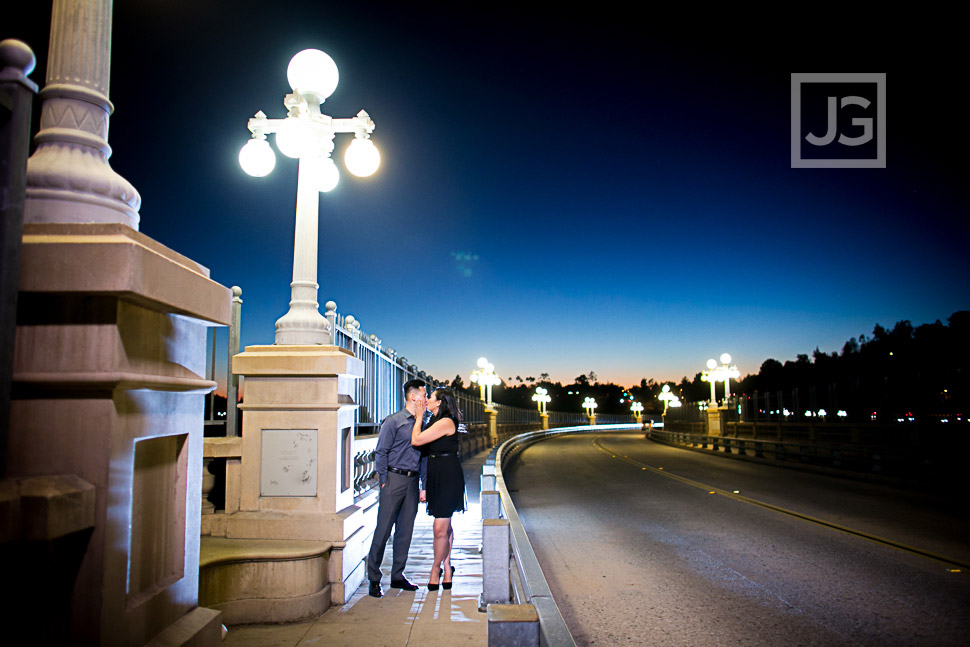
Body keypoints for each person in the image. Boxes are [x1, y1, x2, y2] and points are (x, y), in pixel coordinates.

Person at [366, 379, 428, 598]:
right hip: (393, 480)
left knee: (405, 532)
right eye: (424, 394)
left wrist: (423, 485)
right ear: (413, 397)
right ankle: (374, 579)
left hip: (412, 482)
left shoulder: (423, 423)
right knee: (383, 530)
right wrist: (383, 479)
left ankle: (397, 576)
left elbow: (424, 458)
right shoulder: (393, 421)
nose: (426, 399)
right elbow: (381, 451)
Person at [411, 387, 466, 591]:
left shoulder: (445, 422)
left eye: (430, 398)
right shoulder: (434, 421)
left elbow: (416, 440)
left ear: (439, 403)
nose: (427, 401)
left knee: (439, 528)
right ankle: (447, 566)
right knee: (445, 525)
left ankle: (435, 570)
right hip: (437, 475)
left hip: (448, 476)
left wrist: (418, 418)